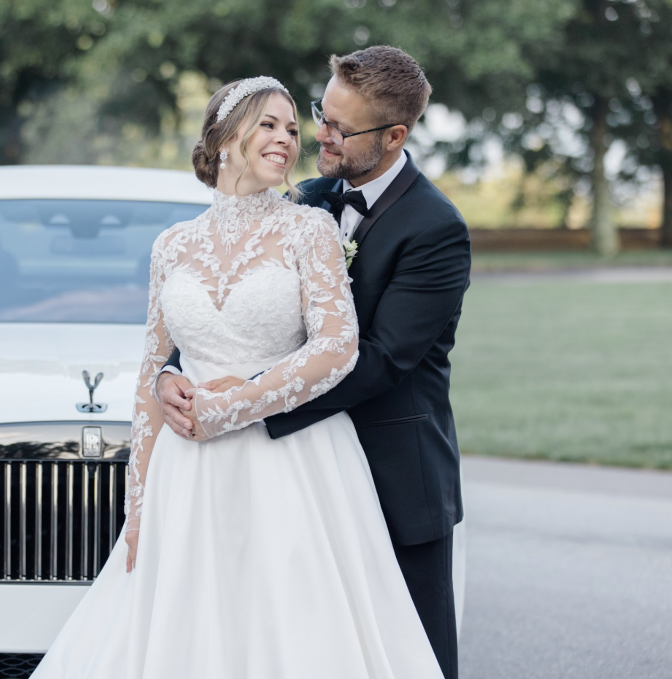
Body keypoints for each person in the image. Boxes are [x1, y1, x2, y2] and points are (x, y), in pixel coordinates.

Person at [30, 72, 446, 679]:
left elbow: (338, 346)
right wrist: (138, 502)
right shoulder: (172, 246)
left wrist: (234, 406)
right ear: (225, 137)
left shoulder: (310, 227)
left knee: (290, 629)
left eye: (293, 129)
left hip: (291, 466)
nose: (288, 138)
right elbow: (154, 369)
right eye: (269, 124)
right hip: (185, 475)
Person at [158, 47, 470, 679]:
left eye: (337, 128)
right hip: (282, 465)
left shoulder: (436, 230)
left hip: (390, 474)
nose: (317, 134)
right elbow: (227, 298)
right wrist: (174, 370)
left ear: (393, 136)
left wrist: (242, 399)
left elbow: (379, 360)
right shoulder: (308, 199)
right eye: (321, 115)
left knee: (405, 654)